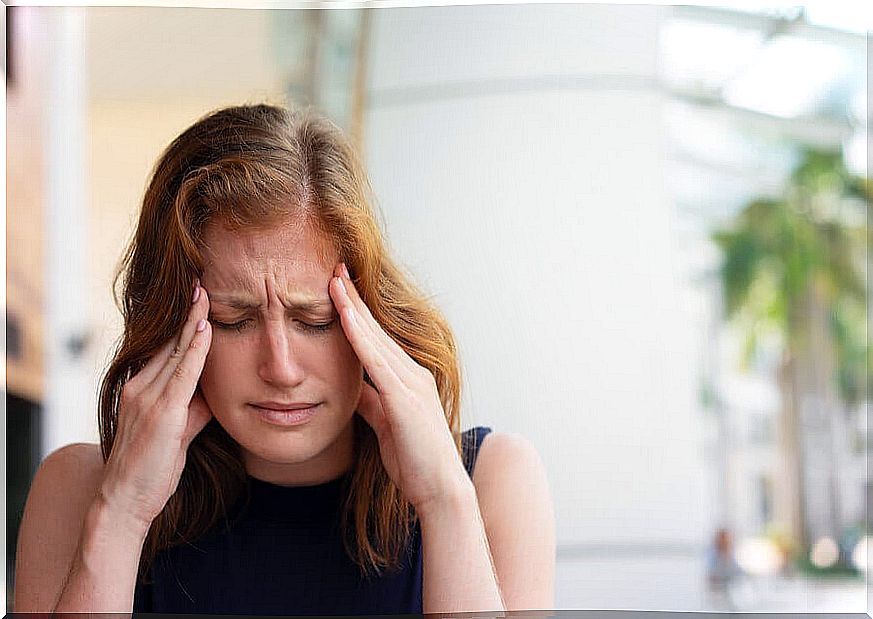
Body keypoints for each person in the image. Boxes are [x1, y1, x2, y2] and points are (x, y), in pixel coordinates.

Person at [13, 103, 555, 614]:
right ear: (172, 322)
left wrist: (443, 501)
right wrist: (122, 513)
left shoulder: (492, 480)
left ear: (371, 315)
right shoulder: (80, 489)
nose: (282, 369)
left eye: (315, 320)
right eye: (234, 320)